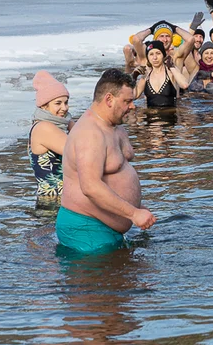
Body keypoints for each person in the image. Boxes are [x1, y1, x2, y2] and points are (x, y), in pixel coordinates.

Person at [57, 69, 156, 254]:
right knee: (105, 283)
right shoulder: (90, 133)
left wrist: (134, 205)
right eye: (127, 101)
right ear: (109, 99)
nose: (132, 106)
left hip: (105, 227)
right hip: (86, 229)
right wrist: (133, 213)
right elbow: (90, 187)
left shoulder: (114, 126)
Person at [29, 71, 72, 200]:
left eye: (66, 102)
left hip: (65, 199)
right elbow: (79, 152)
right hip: (52, 202)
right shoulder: (44, 128)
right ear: (44, 105)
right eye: (58, 103)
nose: (64, 108)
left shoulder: (61, 124)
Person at [134, 40, 191, 108]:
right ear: (148, 57)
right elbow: (134, 96)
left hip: (170, 116)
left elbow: (184, 85)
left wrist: (171, 67)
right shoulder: (146, 76)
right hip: (149, 116)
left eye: (158, 53)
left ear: (163, 55)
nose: (155, 58)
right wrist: (134, 77)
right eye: (151, 54)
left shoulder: (170, 72)